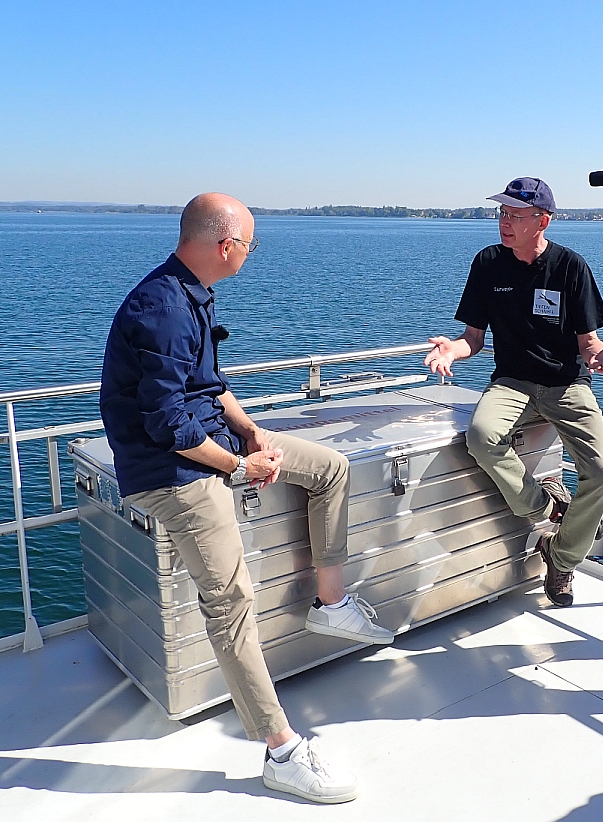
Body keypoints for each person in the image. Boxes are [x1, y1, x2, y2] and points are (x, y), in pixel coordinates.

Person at [99, 192, 393, 804]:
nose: (251, 254)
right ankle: (281, 749)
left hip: (213, 441)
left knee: (330, 466)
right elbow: (166, 426)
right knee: (230, 601)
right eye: (250, 244)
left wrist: (253, 430)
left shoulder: (191, 295)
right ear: (225, 244)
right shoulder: (162, 310)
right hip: (170, 472)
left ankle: (330, 603)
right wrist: (239, 464)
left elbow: (209, 387)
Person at [424, 177, 603, 607]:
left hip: (566, 382)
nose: (505, 222)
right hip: (512, 380)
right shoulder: (487, 263)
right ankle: (542, 508)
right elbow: (473, 339)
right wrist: (452, 350)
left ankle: (561, 557)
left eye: (515, 215)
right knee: (481, 437)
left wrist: (599, 354)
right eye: (502, 213)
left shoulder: (570, 266)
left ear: (543, 221)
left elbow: (587, 343)